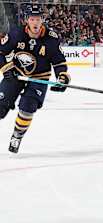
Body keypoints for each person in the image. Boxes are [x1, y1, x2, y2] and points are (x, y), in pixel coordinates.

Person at [0, 4, 70, 153]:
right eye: (32, 19)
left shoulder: (51, 39)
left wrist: (62, 77)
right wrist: (6, 69)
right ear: (27, 20)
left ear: (42, 20)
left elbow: (59, 62)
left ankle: (17, 136)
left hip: (39, 77)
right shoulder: (16, 34)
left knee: (28, 106)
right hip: (16, 74)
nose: (35, 22)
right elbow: (1, 52)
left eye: (38, 19)